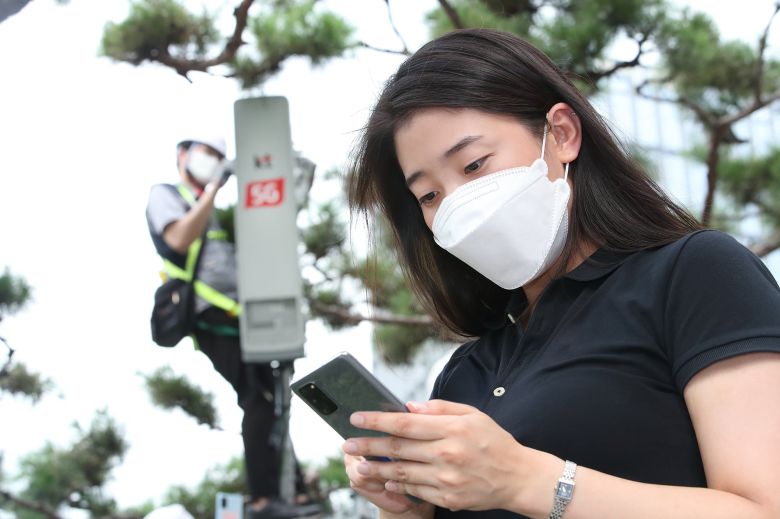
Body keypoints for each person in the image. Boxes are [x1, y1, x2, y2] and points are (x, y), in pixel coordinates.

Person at [343, 29, 780, 519]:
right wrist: (404, 506)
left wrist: (525, 480)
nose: (455, 205)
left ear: (564, 134)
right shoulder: (467, 373)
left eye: (473, 164)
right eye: (428, 195)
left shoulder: (695, 272)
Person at [145, 136, 320, 519]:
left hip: (242, 317)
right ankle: (263, 498)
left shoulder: (214, 211)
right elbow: (178, 237)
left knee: (271, 399)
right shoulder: (166, 196)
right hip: (212, 317)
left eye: (219, 156)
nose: (214, 160)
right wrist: (213, 189)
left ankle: (295, 492)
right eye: (207, 153)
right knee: (258, 400)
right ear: (182, 154)